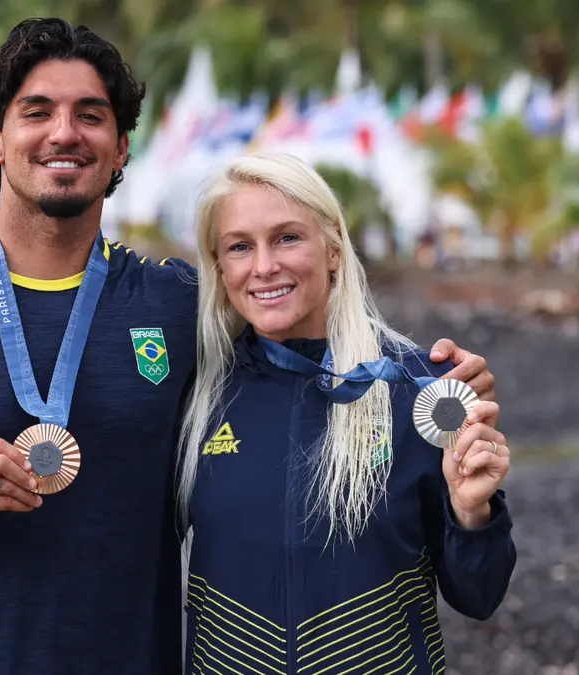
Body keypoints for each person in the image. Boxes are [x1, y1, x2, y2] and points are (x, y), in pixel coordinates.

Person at [0, 18, 498, 675]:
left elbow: (299, 312)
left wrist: (435, 383)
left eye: (91, 115)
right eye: (37, 112)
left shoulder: (180, 304)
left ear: (120, 148)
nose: (65, 132)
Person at [176, 152, 516, 674]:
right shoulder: (196, 395)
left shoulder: (419, 387)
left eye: (288, 237)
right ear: (219, 268)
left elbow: (479, 595)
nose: (264, 265)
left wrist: (474, 514)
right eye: (240, 246)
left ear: (333, 246)